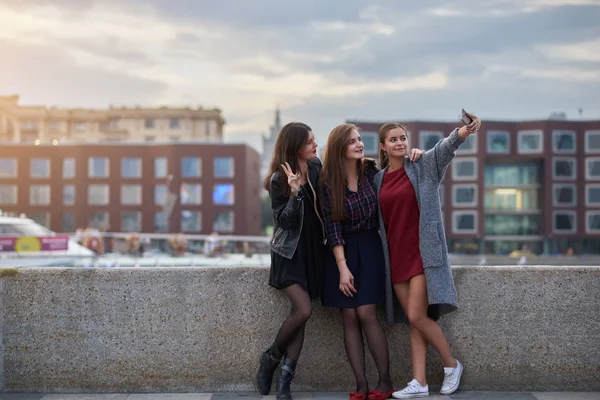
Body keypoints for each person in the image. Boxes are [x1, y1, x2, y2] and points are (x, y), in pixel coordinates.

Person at [373, 113, 481, 398]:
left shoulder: (422, 165)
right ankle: (419, 382)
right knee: (414, 319)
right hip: (394, 257)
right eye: (393, 139)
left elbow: (446, 148)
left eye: (403, 138)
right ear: (383, 146)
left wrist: (465, 130)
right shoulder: (377, 180)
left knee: (416, 315)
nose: (399, 142)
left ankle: (452, 364)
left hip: (422, 254)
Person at [320, 123, 423, 400]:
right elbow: (332, 228)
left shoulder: (371, 171)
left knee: (366, 312)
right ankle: (361, 385)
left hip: (371, 247)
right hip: (342, 252)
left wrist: (414, 154)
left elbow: (398, 178)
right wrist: (342, 267)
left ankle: (385, 382)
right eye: (352, 141)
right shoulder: (329, 182)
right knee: (349, 316)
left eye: (359, 140)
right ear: (340, 147)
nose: (359, 144)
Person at [256, 122, 327, 400]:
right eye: (309, 141)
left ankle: (285, 381)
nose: (315, 145)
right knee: (304, 310)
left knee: (300, 317)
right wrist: (295, 192)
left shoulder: (317, 167)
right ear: (295, 145)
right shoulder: (278, 179)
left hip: (313, 252)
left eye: (314, 140)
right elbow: (285, 222)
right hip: (289, 253)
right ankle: (270, 358)